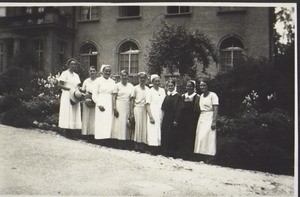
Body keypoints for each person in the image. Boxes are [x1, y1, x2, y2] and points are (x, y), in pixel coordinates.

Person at [194, 79, 219, 158]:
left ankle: (209, 155)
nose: (202, 87)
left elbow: (215, 109)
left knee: (208, 136)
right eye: (201, 85)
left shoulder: (213, 95)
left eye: (204, 85)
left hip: (210, 116)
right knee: (200, 135)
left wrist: (214, 121)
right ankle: (199, 154)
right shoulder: (201, 96)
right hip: (202, 117)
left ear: (208, 86)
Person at [57, 58, 82, 136]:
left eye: (74, 64)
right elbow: (59, 85)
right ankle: (66, 131)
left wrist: (78, 91)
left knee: (74, 111)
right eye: (71, 64)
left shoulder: (76, 75)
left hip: (74, 95)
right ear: (68, 65)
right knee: (68, 111)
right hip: (67, 94)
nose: (73, 65)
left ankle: (72, 131)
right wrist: (69, 89)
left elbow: (78, 86)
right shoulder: (65, 73)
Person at [92, 65, 115, 140]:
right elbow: (94, 95)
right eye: (106, 71)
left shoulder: (112, 82)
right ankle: (100, 139)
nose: (108, 73)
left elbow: (114, 94)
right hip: (101, 101)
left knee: (108, 120)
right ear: (102, 72)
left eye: (109, 71)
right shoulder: (97, 81)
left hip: (109, 102)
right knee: (100, 120)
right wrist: (98, 104)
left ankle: (107, 138)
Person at [111, 70, 134, 143]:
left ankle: (126, 140)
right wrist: (114, 108)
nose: (124, 77)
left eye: (125, 75)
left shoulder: (131, 86)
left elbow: (132, 98)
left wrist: (131, 110)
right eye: (122, 75)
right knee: (119, 123)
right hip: (119, 105)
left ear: (128, 76)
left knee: (126, 123)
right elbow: (113, 97)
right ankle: (118, 141)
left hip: (127, 105)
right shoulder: (117, 85)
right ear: (120, 76)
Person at [145, 74, 166, 154]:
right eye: (155, 81)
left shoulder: (162, 90)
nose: (157, 83)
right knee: (153, 130)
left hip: (161, 112)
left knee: (160, 130)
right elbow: (147, 104)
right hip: (153, 112)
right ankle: (152, 149)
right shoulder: (149, 91)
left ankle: (159, 148)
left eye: (158, 81)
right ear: (152, 82)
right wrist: (150, 116)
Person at [178, 80, 200, 155]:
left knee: (190, 134)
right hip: (183, 118)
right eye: (187, 86)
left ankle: (189, 152)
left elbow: (197, 108)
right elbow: (180, 108)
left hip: (192, 119)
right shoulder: (183, 96)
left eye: (190, 86)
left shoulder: (197, 96)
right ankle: (182, 151)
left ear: (193, 87)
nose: (189, 87)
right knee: (182, 134)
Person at [161, 80, 183, 155]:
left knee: (172, 134)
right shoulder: (167, 96)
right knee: (166, 133)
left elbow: (179, 109)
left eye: (172, 86)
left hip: (173, 117)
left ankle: (172, 152)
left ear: (174, 86)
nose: (170, 87)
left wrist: (176, 120)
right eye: (169, 86)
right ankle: (165, 150)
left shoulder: (178, 96)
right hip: (167, 117)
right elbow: (163, 107)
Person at [131, 72, 149, 151]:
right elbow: (132, 100)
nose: (142, 79)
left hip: (145, 109)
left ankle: (142, 144)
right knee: (138, 126)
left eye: (144, 78)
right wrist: (132, 112)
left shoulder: (148, 89)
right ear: (139, 79)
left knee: (144, 126)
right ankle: (136, 144)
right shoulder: (135, 88)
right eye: (141, 78)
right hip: (137, 108)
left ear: (146, 79)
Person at [81, 66, 98, 137]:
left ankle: (94, 134)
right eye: (90, 71)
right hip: (87, 100)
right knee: (86, 117)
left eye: (93, 71)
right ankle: (86, 134)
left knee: (94, 117)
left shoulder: (98, 81)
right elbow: (83, 90)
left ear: (96, 72)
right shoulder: (86, 81)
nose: (92, 72)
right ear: (89, 72)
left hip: (95, 100)